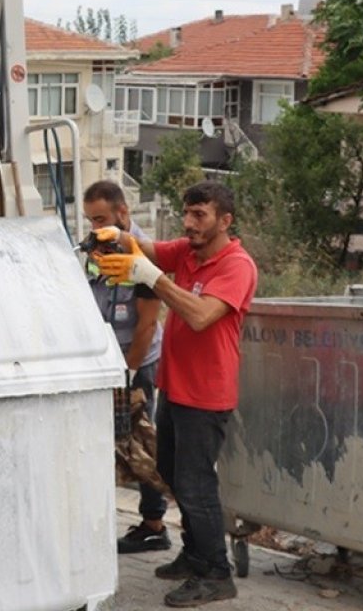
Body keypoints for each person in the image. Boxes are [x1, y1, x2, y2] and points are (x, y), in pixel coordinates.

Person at [94, 181, 257, 608]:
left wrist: (151, 278)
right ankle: (194, 552)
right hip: (176, 387)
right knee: (170, 471)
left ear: (225, 220)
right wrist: (114, 236)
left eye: (199, 215)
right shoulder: (187, 251)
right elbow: (146, 247)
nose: (189, 223)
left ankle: (216, 573)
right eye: (186, 213)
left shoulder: (236, 266)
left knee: (197, 485)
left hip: (206, 395)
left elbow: (201, 315)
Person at [81, 180, 169, 555]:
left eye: (101, 218)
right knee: (105, 445)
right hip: (104, 359)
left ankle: (154, 524)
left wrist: (128, 375)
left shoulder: (141, 255)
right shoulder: (98, 249)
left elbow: (147, 325)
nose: (94, 227)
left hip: (135, 363)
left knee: (139, 444)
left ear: (123, 214)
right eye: (90, 220)